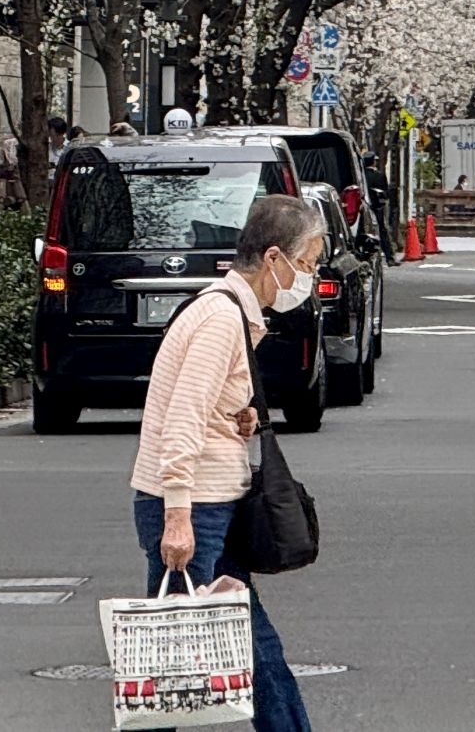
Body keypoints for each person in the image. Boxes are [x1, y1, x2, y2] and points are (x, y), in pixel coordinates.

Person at [129, 191, 322, 732]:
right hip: (195, 506)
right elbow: (182, 416)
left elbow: (201, 405)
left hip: (211, 502)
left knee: (245, 649)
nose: (308, 275)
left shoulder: (229, 311)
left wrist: (237, 416)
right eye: (306, 262)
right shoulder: (220, 318)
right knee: (171, 658)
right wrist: (177, 514)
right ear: (274, 259)